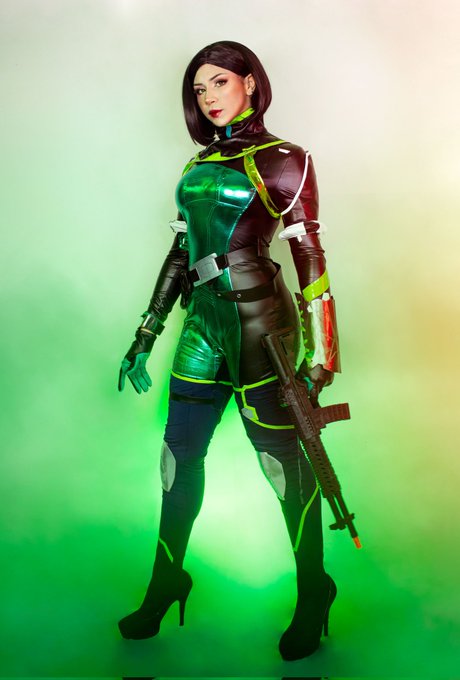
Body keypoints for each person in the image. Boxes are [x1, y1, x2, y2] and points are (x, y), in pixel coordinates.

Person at [117, 40, 342, 661]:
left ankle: (313, 590)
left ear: (250, 83)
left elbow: (308, 256)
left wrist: (324, 353)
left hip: (260, 327)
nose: (209, 96)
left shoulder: (286, 160)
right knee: (177, 458)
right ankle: (167, 581)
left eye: (219, 81)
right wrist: (146, 333)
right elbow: (181, 253)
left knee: (281, 464)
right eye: (199, 88)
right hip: (202, 325)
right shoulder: (197, 165)